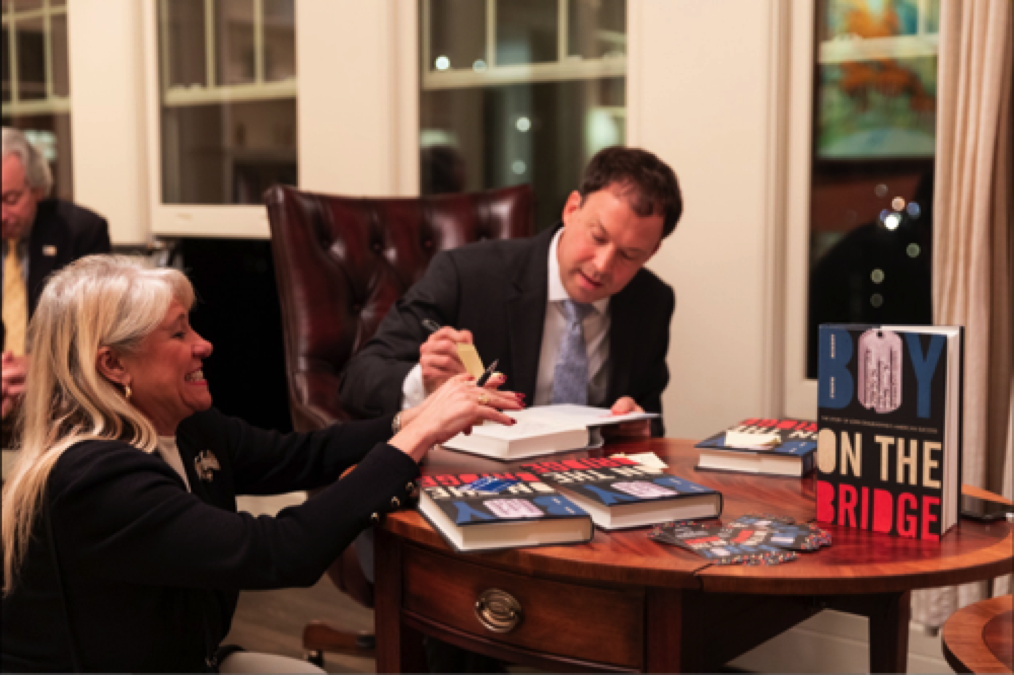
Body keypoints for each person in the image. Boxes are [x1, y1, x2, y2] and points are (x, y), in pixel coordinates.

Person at [0, 255, 521, 673]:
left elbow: (300, 455)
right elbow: (277, 552)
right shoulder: (94, 479)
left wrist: (412, 418)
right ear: (113, 364)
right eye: (178, 333)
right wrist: (417, 438)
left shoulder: (185, 426)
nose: (204, 345)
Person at [339, 145, 682, 437]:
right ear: (572, 209)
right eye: (598, 237)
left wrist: (636, 426)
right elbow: (358, 378)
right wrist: (424, 385)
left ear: (650, 254)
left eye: (629, 255)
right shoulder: (467, 275)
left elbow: (649, 417)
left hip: (586, 486)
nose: (603, 265)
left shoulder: (652, 302)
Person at [2, 127, 111, 424]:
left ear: (37, 189)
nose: (0, 215)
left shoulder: (80, 232)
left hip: (60, 406)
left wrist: (40, 367)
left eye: (10, 199)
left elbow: (99, 334)